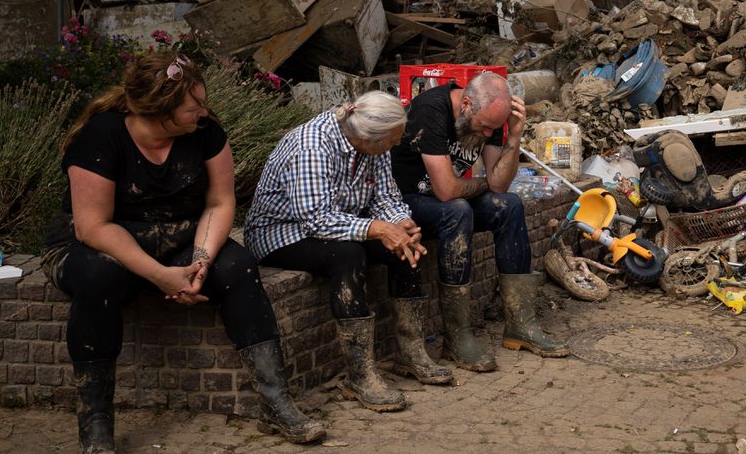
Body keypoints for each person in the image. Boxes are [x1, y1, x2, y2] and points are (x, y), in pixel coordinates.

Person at [41, 52, 323, 452]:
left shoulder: (206, 132)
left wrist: (201, 263)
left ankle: (276, 399)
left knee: (239, 266)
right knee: (100, 278)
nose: (203, 113)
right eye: (193, 107)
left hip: (180, 237)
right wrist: (160, 275)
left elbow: (220, 203)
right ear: (160, 111)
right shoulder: (100, 137)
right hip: (97, 244)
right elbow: (94, 227)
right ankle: (96, 423)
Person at [245, 92, 449, 412]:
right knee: (349, 255)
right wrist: (380, 229)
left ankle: (411, 353)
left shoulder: (373, 145)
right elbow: (317, 220)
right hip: (282, 234)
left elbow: (386, 198)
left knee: (405, 248)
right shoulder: (312, 146)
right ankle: (360, 374)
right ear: (368, 138)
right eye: (393, 139)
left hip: (338, 225)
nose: (396, 145)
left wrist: (401, 223)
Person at [389, 72, 567, 372]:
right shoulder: (431, 109)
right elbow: (447, 190)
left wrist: (513, 135)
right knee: (457, 209)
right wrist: (480, 185)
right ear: (467, 103)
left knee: (508, 206)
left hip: (448, 199)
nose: (486, 134)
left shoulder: (492, 118)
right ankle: (457, 337)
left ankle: (520, 325)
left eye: (492, 129)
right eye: (484, 126)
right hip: (403, 201)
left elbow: (499, 184)